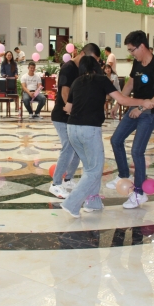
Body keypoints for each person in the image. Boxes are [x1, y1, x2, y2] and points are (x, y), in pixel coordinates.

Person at [61, 57, 154, 218]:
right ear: (97, 67)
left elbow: (68, 108)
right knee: (94, 170)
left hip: (72, 129)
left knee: (90, 168)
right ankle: (71, 203)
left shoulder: (76, 81)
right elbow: (122, 99)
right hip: (89, 129)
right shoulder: (101, 80)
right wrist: (143, 102)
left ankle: (93, 201)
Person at [108, 30, 154, 209]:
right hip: (134, 108)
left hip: (148, 113)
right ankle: (123, 175)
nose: (131, 53)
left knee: (137, 151)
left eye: (132, 49)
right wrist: (118, 103)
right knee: (116, 140)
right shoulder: (137, 62)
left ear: (142, 46)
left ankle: (139, 193)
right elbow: (131, 83)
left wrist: (141, 108)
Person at [50, 43, 102, 199]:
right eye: (92, 59)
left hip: (75, 117)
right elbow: (65, 92)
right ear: (83, 54)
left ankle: (67, 179)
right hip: (62, 115)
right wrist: (73, 110)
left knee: (77, 147)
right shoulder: (68, 68)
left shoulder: (84, 70)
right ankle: (56, 184)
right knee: (68, 147)